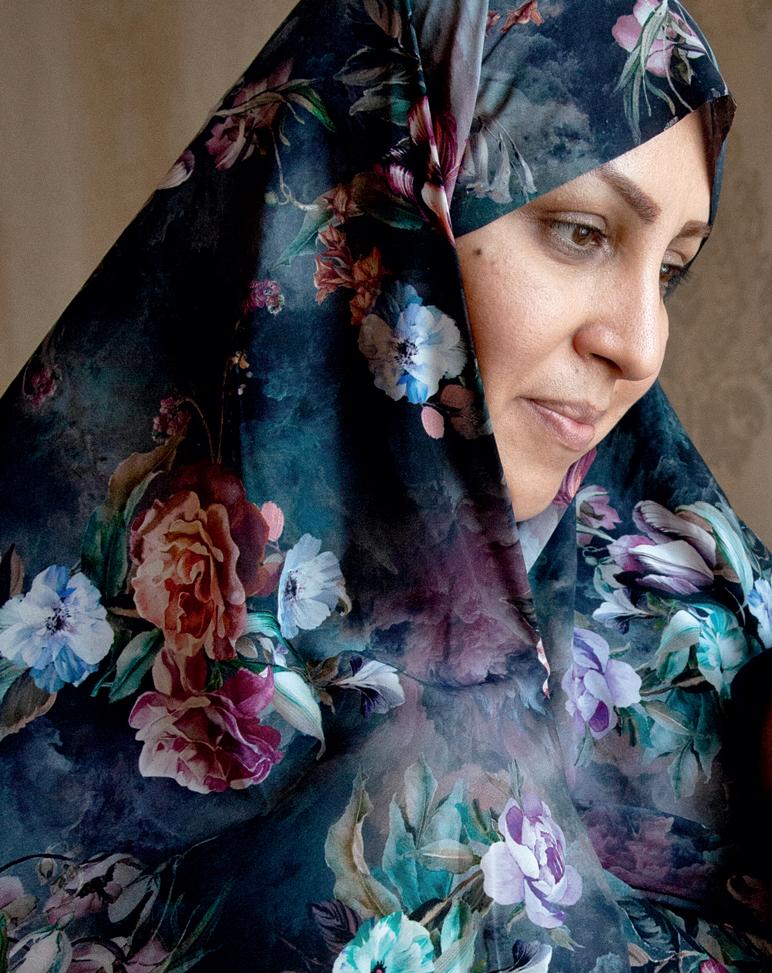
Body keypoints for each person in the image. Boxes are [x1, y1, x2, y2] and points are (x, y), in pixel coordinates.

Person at [0, 1, 769, 970]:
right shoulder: (59, 706)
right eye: (580, 231)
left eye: (671, 270)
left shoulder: (702, 636)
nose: (643, 346)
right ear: (367, 204)